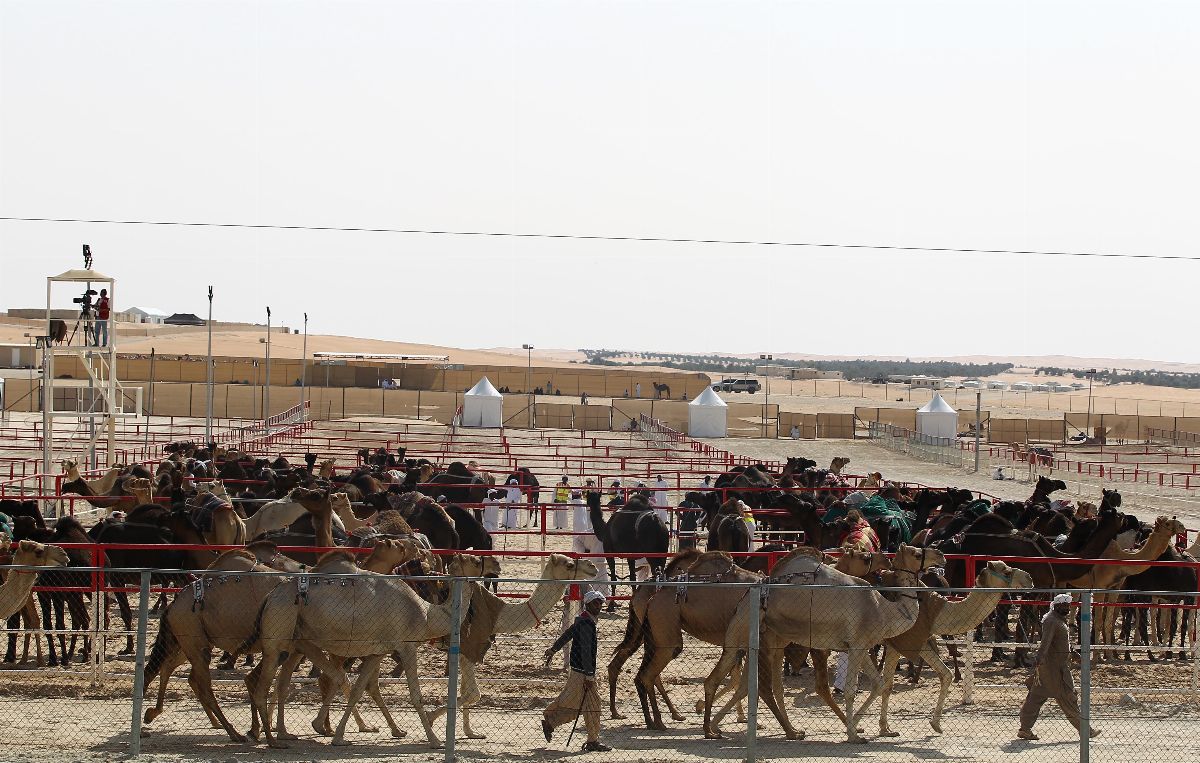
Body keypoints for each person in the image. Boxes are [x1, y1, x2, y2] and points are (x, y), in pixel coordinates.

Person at [1018, 593, 1101, 741]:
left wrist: (1073, 653)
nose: (1067, 608)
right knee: (1068, 697)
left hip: (1048, 668)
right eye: (1064, 605)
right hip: (1056, 670)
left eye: (1068, 605)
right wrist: (1040, 657)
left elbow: (1060, 643)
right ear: (1056, 606)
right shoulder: (1052, 621)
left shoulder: (1058, 621)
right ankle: (1085, 730)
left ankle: (1025, 729)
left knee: (1035, 698)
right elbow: (1046, 642)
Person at [542, 591, 611, 752]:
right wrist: (589, 676)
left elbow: (567, 634)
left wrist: (554, 648)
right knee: (591, 705)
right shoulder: (587, 624)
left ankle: (551, 722)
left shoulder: (582, 620)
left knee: (578, 704)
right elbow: (586, 651)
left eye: (600, 603)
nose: (599, 606)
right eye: (595, 603)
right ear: (587, 604)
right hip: (583, 673)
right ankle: (591, 740)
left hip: (578, 670)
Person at [570, 490, 610, 598]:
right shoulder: (588, 533)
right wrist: (584, 552)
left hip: (600, 563)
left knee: (602, 586)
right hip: (591, 563)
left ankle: (607, 600)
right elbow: (577, 541)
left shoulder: (605, 532)